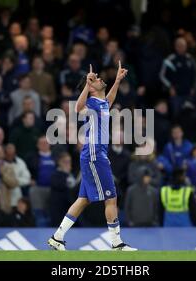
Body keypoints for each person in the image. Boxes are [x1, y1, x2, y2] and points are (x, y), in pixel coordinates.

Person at [48, 62, 136, 251]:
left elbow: (109, 100)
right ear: (91, 88)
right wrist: (87, 86)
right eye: (96, 79)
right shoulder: (91, 103)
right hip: (95, 155)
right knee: (111, 198)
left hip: (94, 154)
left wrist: (118, 80)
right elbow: (77, 108)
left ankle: (57, 237)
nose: (100, 78)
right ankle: (116, 243)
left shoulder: (102, 103)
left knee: (83, 199)